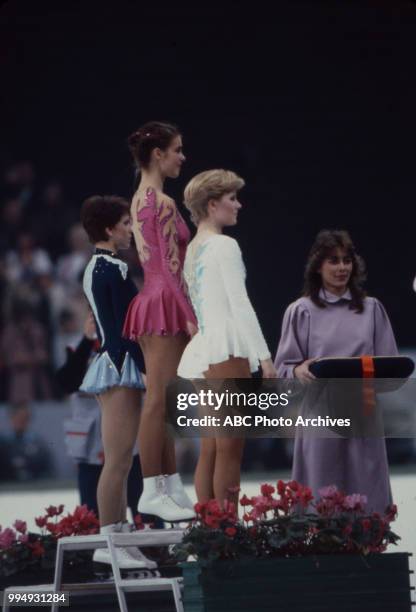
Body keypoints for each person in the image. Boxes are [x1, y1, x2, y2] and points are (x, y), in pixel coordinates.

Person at [274, 229, 398, 514]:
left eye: (346, 260)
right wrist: (299, 369)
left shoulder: (372, 309)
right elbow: (283, 370)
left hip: (363, 412)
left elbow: (390, 369)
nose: (342, 267)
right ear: (318, 265)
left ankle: (369, 550)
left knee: (366, 489)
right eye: (333, 260)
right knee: (320, 489)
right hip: (320, 413)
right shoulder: (300, 311)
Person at [177, 169, 277, 507]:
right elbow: (240, 303)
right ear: (211, 203)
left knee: (212, 446)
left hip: (204, 350)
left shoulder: (193, 248)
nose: (239, 205)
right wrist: (264, 356)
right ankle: (226, 535)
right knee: (230, 445)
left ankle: (213, 532)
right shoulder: (224, 244)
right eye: (232, 198)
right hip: (225, 348)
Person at [123, 121, 197, 522]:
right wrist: (190, 316)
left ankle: (168, 481)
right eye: (177, 150)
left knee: (164, 400)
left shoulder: (142, 198)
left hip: (155, 298)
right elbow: (169, 270)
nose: (182, 157)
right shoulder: (160, 203)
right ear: (158, 154)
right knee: (157, 399)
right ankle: (152, 487)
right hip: (164, 300)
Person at [79, 195, 154, 571]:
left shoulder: (98, 266)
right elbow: (130, 330)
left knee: (121, 461)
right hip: (120, 364)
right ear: (109, 229)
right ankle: (110, 538)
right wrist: (146, 368)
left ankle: (118, 533)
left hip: (113, 363)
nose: (130, 229)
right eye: (126, 223)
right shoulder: (114, 270)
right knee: (119, 460)